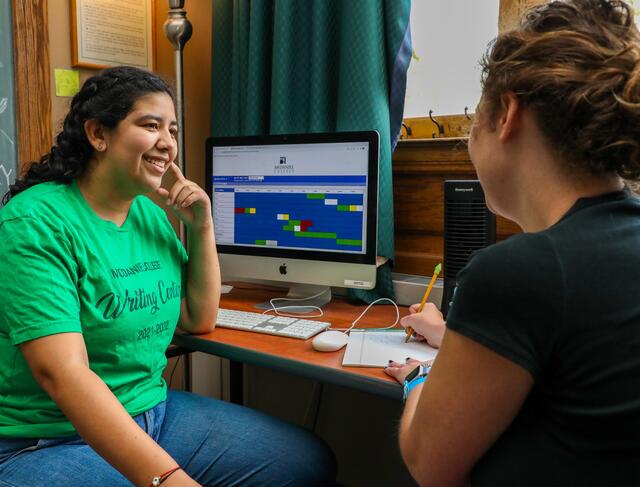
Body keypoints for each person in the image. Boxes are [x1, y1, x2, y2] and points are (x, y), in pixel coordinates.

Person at [0, 66, 335, 486]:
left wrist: (201, 225)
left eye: (172, 130)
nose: (168, 143)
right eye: (150, 125)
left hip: (150, 410)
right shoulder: (35, 222)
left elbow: (198, 318)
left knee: (304, 461)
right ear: (98, 134)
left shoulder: (147, 213)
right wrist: (170, 478)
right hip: (47, 438)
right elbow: (64, 375)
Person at [385, 1, 640, 486]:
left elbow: (428, 464)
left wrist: (420, 378)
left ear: (507, 114)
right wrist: (452, 337)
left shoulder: (518, 270)